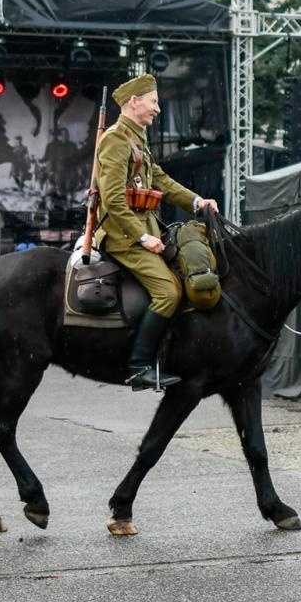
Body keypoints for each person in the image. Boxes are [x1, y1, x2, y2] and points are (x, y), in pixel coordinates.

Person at [93, 74, 219, 391]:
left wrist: (196, 201)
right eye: (154, 102)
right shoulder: (115, 139)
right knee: (168, 292)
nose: (157, 109)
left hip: (144, 231)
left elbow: (160, 180)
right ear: (134, 102)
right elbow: (113, 200)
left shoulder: (137, 139)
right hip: (122, 237)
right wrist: (141, 237)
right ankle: (138, 368)